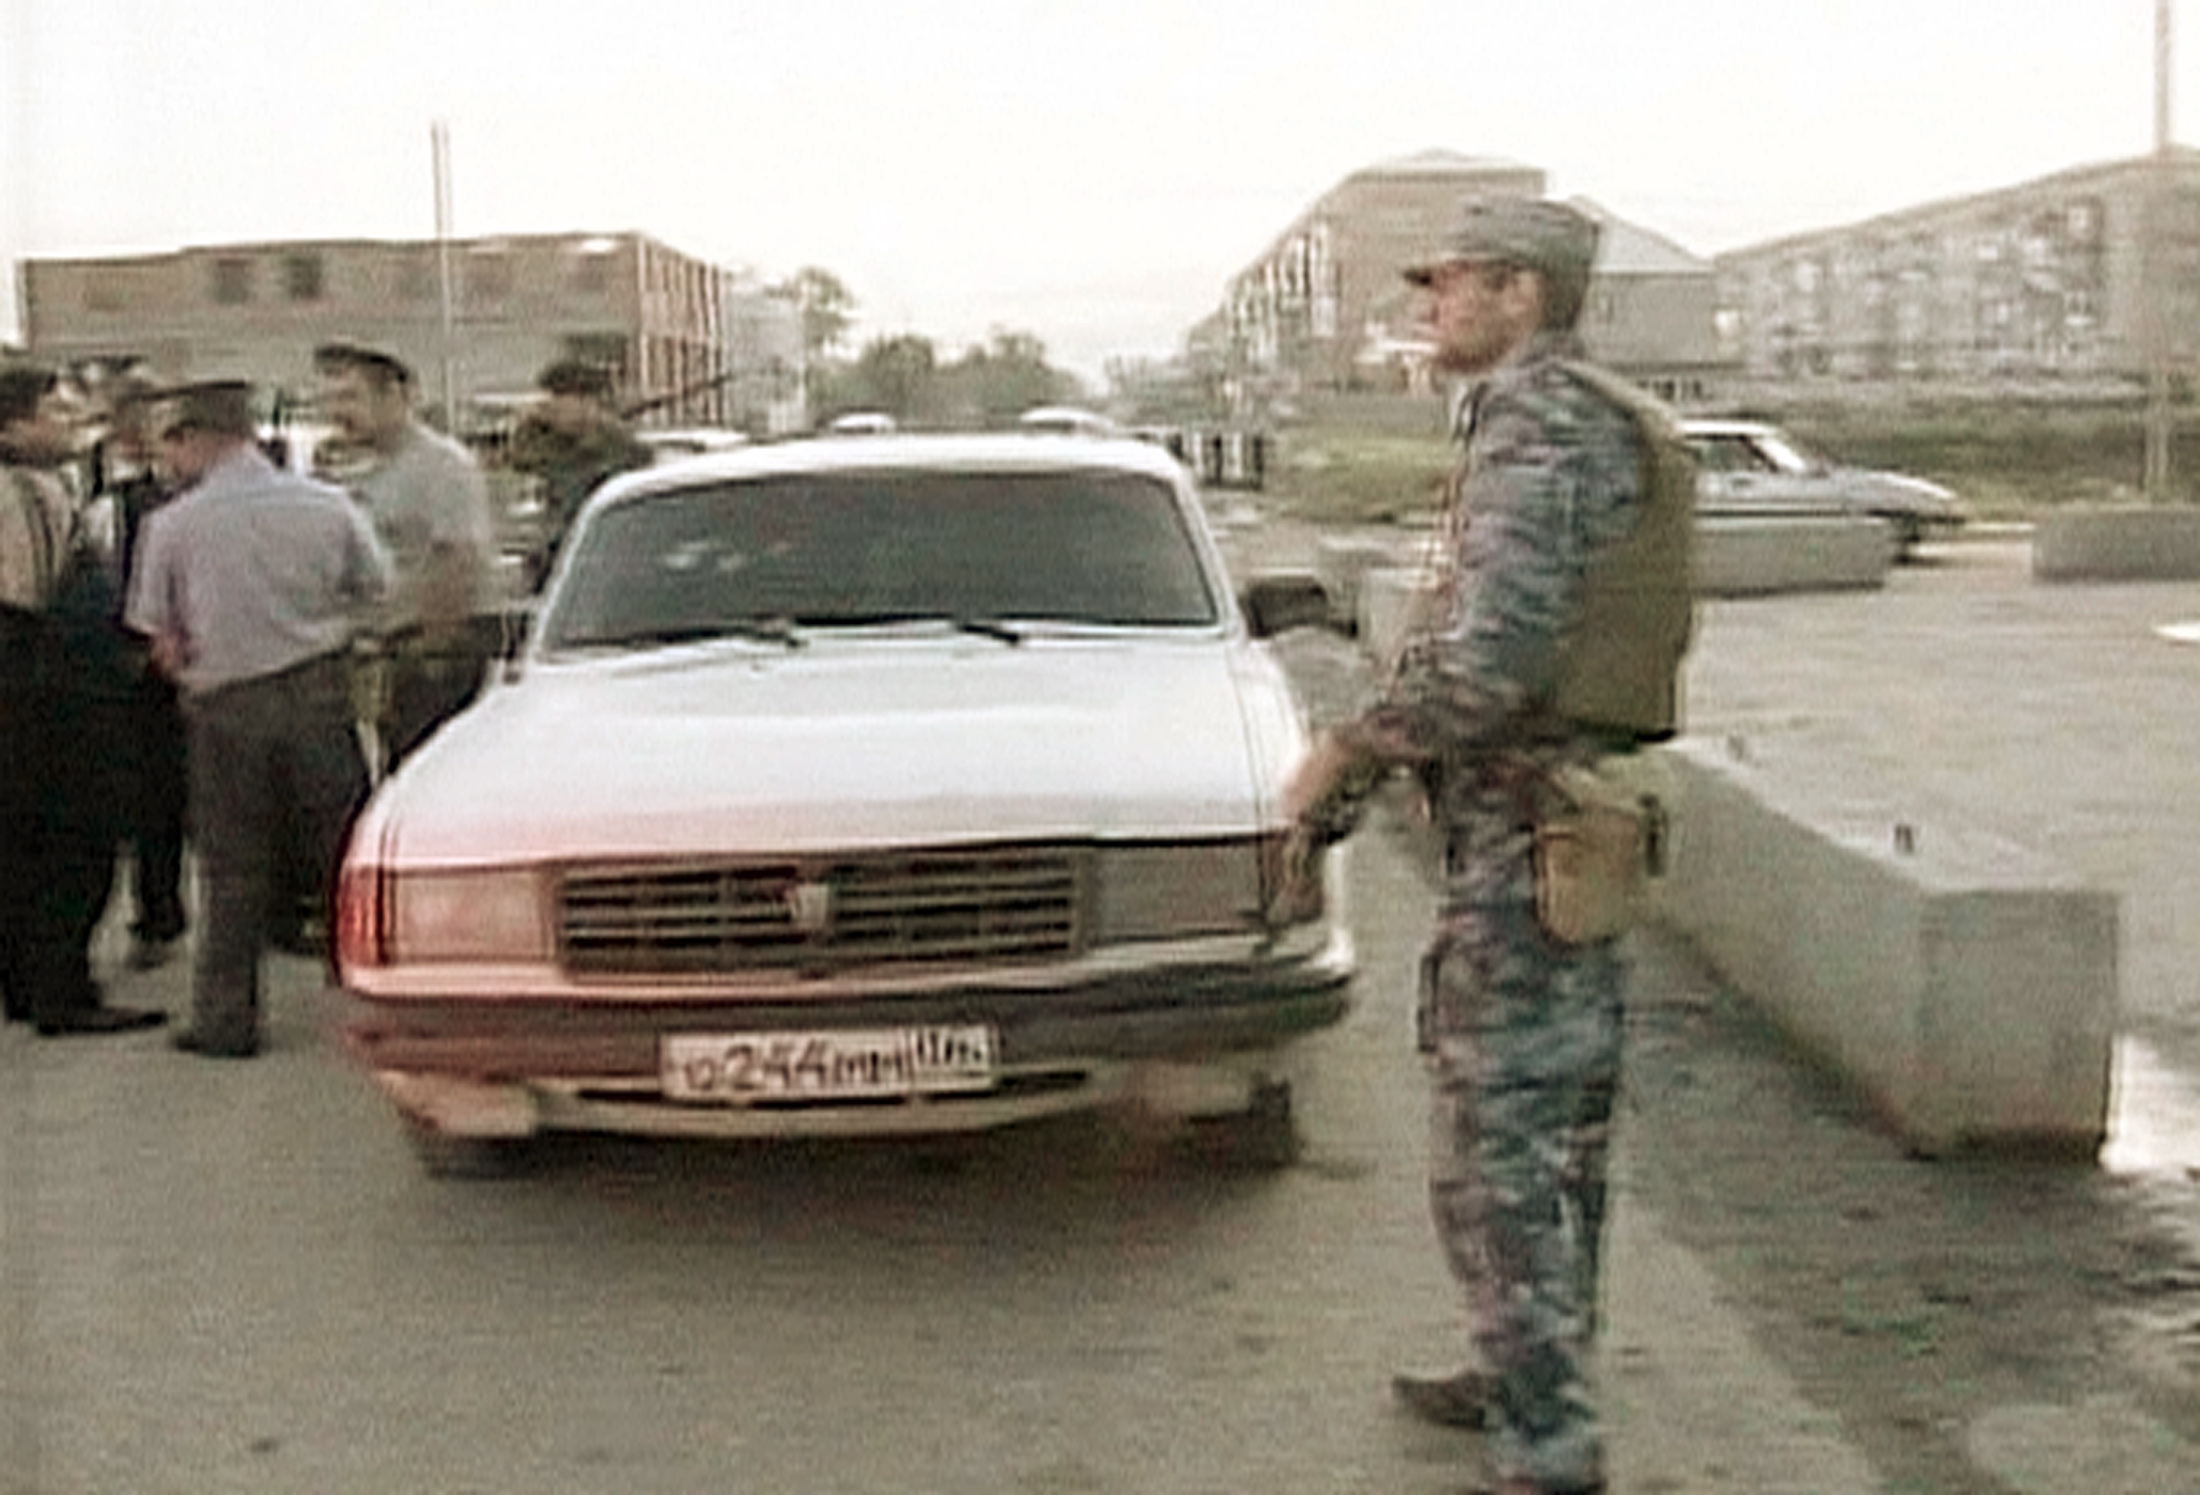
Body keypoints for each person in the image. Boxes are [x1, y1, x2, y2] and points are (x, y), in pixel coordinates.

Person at [1281, 199, 1695, 1495]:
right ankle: (1526, 1369)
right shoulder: (1576, 413)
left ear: (1523, 292)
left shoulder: (1537, 419)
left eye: (1450, 283)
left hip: (1526, 832)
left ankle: (1548, 1442)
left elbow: (1489, 664)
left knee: (1497, 1154)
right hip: (1567, 822)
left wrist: (1350, 750)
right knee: (1561, 1139)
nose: (1430, 304)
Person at [126, 380, 390, 1058]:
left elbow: (159, 635)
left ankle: (227, 1020)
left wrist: (190, 678)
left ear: (196, 438)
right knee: (342, 855)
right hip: (319, 692)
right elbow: (377, 589)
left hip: (225, 705)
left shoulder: (171, 525)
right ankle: (373, 1001)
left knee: (232, 866)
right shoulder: (328, 504)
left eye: (172, 443)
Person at [0, 364, 167, 1036]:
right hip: (49, 688)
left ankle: (26, 981)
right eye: (58, 413)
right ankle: (64, 990)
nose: (73, 424)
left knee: (20, 840)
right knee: (76, 838)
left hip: (31, 681)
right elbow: (34, 593)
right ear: (15, 427)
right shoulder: (28, 492)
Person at [312, 340, 499, 768]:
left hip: (432, 661)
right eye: (332, 400)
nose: (339, 412)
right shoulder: (355, 471)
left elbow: (457, 560)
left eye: (351, 398)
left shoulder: (442, 467)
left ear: (395, 395)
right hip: (383, 659)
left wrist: (431, 650)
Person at [93, 377, 191, 969]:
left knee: (165, 794)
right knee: (140, 796)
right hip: (121, 665)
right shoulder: (105, 493)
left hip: (167, 661)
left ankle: (160, 913)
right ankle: (150, 912)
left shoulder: (168, 499)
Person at [504, 358, 650, 587]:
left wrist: (596, 428)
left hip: (610, 552)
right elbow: (521, 457)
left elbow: (636, 459)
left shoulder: (615, 443)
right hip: (558, 551)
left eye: (560, 399)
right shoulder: (545, 441)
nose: (552, 408)